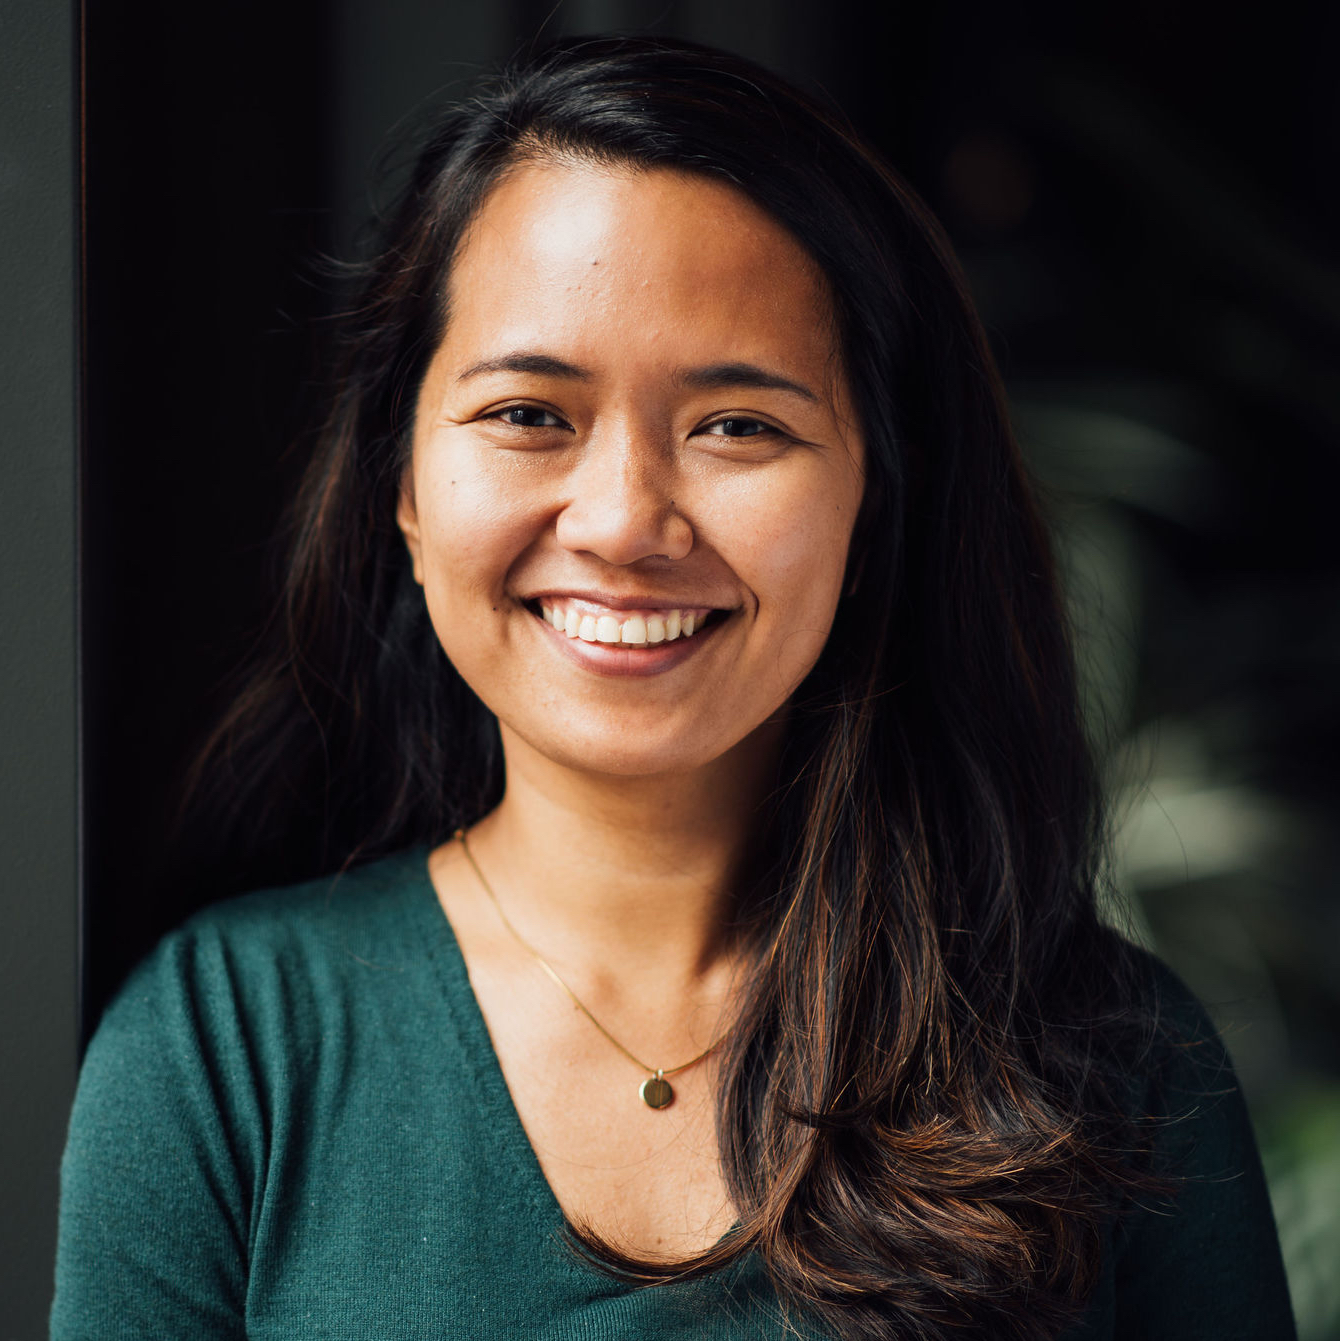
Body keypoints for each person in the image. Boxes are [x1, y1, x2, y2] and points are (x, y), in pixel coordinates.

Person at [50, 35, 1295, 1341]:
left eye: (738, 425)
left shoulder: (1117, 1058)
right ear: (402, 488)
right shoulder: (225, 1051)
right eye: (532, 412)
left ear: (877, 502)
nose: (626, 520)